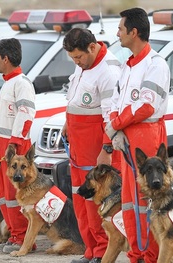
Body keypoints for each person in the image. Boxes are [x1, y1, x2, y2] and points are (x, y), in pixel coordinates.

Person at [104, 7, 170, 263]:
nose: (117, 33)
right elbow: (115, 101)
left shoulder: (155, 64)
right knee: (130, 201)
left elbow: (147, 106)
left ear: (134, 32)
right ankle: (137, 254)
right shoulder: (127, 66)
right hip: (126, 136)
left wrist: (117, 124)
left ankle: (151, 256)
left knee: (148, 200)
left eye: (120, 29)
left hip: (146, 135)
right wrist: (114, 126)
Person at [62, 28, 122, 263]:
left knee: (96, 204)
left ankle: (102, 252)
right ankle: (90, 249)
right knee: (80, 201)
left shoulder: (108, 70)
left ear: (93, 47)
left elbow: (111, 114)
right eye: (73, 58)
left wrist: (106, 149)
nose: (76, 62)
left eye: (79, 57)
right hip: (78, 147)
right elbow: (76, 98)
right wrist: (67, 121)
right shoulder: (84, 65)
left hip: (95, 149)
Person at [0, 38, 36, 254]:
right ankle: (14, 234)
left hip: (13, 147)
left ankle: (23, 238)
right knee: (3, 194)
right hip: (2, 145)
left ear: (6, 58)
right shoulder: (8, 82)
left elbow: (26, 115)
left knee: (14, 195)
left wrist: (14, 144)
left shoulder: (22, 83)